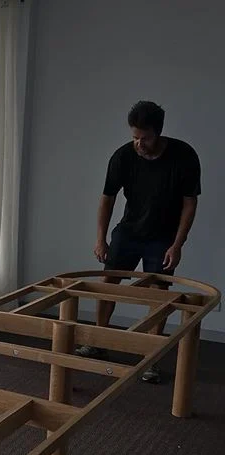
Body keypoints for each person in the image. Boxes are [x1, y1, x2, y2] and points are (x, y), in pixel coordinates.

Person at [76, 100, 201, 383]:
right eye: (135, 137)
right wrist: (100, 239)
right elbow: (107, 198)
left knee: (158, 292)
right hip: (129, 231)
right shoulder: (123, 156)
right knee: (109, 283)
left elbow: (189, 204)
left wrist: (177, 244)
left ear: (158, 133)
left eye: (145, 138)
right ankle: (98, 342)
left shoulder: (183, 156)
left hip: (163, 236)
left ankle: (151, 356)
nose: (139, 144)